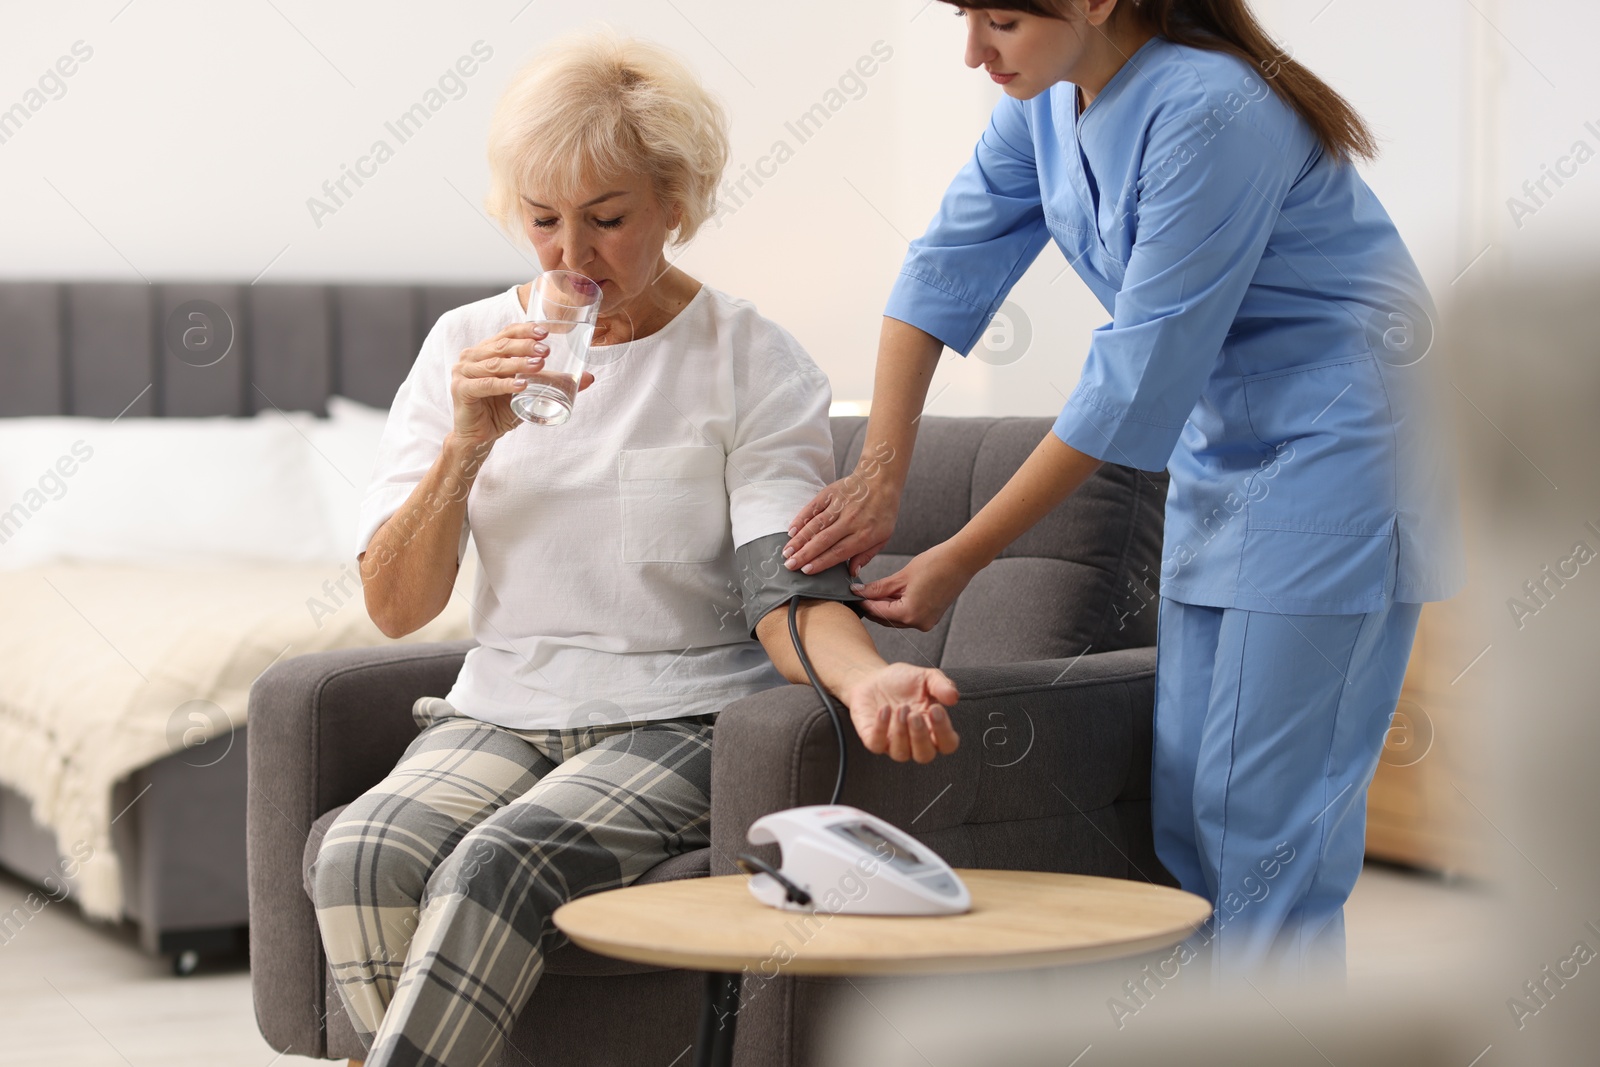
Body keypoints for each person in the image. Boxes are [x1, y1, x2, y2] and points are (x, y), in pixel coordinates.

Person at [310, 30, 959, 1067]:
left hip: (682, 712)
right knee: (362, 849)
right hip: (505, 700)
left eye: (606, 219)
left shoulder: (749, 356)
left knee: (499, 861)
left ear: (675, 203)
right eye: (542, 219)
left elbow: (782, 588)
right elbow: (395, 603)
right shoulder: (460, 349)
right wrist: (467, 445)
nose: (571, 255)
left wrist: (869, 681)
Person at [782, 0, 1464, 981]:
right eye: (966, 16)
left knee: (1263, 827)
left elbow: (1133, 377)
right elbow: (941, 268)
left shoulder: (1215, 110)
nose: (972, 52)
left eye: (1001, 20)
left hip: (1339, 456)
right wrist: (879, 477)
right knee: (1190, 807)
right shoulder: (1046, 100)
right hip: (1222, 450)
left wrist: (961, 556)